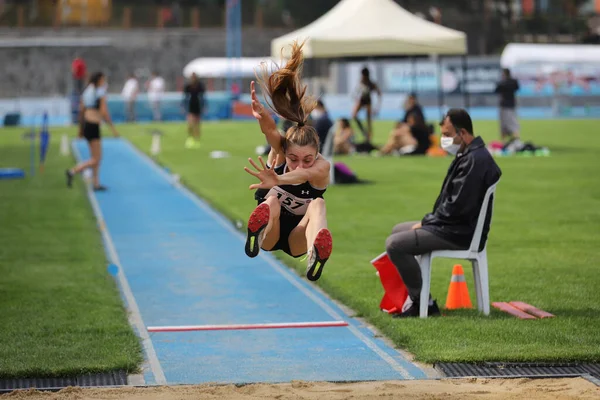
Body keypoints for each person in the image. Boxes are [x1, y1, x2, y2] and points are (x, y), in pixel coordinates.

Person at [385, 109, 501, 317]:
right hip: (452, 226)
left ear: (463, 133)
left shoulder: (475, 160)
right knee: (397, 230)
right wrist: (430, 221)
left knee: (395, 244)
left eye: (447, 135)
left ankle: (423, 302)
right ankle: (417, 299)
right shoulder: (470, 154)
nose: (444, 140)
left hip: (458, 232)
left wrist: (427, 222)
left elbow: (457, 207)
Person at [243, 41, 333, 282]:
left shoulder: (322, 167)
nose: (299, 164)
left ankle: (317, 253)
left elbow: (303, 176)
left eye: (307, 159)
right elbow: (271, 132)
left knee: (318, 205)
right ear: (286, 152)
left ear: (317, 154)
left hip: (298, 237)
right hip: (271, 233)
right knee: (271, 200)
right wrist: (261, 116)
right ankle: (256, 232)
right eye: (293, 158)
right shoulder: (281, 152)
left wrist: (278, 178)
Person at [66, 72, 119, 191]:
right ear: (99, 80)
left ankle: (96, 183)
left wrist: (80, 130)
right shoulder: (100, 92)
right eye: (103, 80)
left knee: (94, 157)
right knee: (96, 158)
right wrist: (113, 128)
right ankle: (73, 171)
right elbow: (104, 111)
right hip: (94, 125)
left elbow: (81, 111)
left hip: (86, 124)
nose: (105, 82)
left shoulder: (87, 91)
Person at [351, 67, 381, 142]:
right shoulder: (361, 82)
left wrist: (377, 107)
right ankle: (364, 132)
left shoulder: (371, 83)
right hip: (361, 100)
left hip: (368, 101)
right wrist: (356, 99)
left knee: (368, 120)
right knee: (354, 115)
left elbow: (379, 93)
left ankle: (368, 138)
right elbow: (356, 92)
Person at [495, 68, 520, 141]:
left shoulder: (503, 83)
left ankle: (507, 140)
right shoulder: (513, 82)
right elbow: (517, 88)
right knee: (512, 122)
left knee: (505, 124)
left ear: (504, 74)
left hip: (504, 105)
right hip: (512, 105)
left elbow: (496, 90)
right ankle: (515, 139)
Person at [182, 72, 206, 149]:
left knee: (197, 125)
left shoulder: (200, 86)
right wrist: (184, 106)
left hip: (197, 106)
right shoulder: (188, 86)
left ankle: (197, 139)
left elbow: (203, 97)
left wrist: (204, 106)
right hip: (191, 106)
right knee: (190, 124)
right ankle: (190, 138)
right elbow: (185, 97)